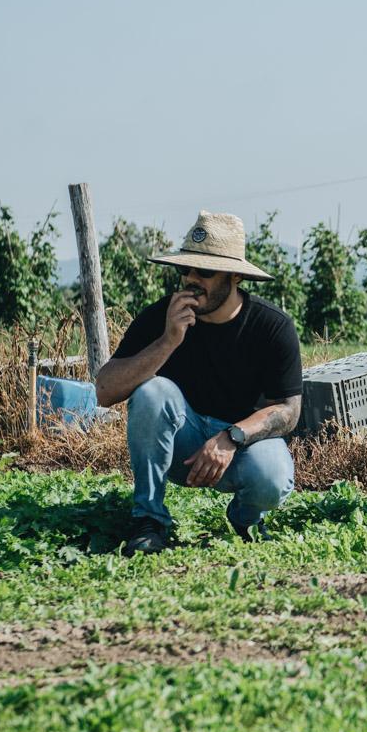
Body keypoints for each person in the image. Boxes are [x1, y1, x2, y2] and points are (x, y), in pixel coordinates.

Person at [95, 211, 303, 555]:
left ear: (235, 276)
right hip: (180, 447)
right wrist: (168, 341)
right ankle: (149, 520)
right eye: (185, 269)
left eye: (204, 271)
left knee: (273, 476)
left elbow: (288, 410)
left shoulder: (272, 327)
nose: (191, 279)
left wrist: (231, 437)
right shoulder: (163, 317)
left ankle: (244, 518)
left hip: (241, 448)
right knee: (153, 391)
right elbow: (104, 391)